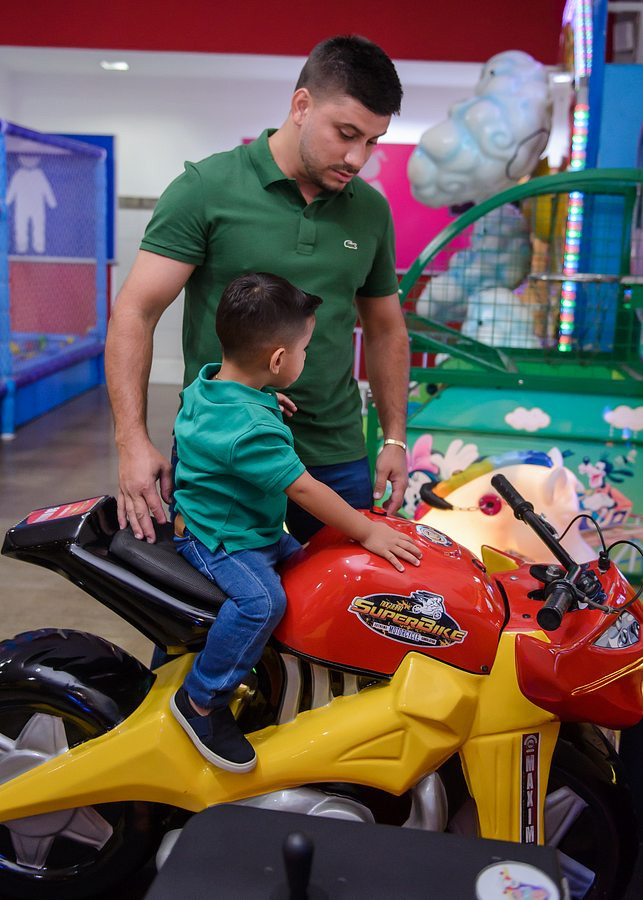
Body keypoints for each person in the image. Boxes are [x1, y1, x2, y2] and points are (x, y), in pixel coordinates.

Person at [105, 34, 410, 546]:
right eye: (346, 134)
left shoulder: (371, 211)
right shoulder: (206, 188)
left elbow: (385, 330)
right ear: (301, 106)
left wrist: (395, 438)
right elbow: (136, 312)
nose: (358, 158)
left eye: (373, 141)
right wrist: (131, 441)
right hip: (221, 450)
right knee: (226, 588)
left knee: (349, 589)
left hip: (333, 451)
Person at [170, 272, 421, 772]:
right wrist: (368, 530)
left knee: (317, 572)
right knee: (263, 603)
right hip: (221, 540)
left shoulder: (214, 383)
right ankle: (201, 700)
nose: (307, 357)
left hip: (251, 529)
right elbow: (304, 488)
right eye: (305, 349)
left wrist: (264, 399)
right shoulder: (251, 430)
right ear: (278, 360)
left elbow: (230, 416)